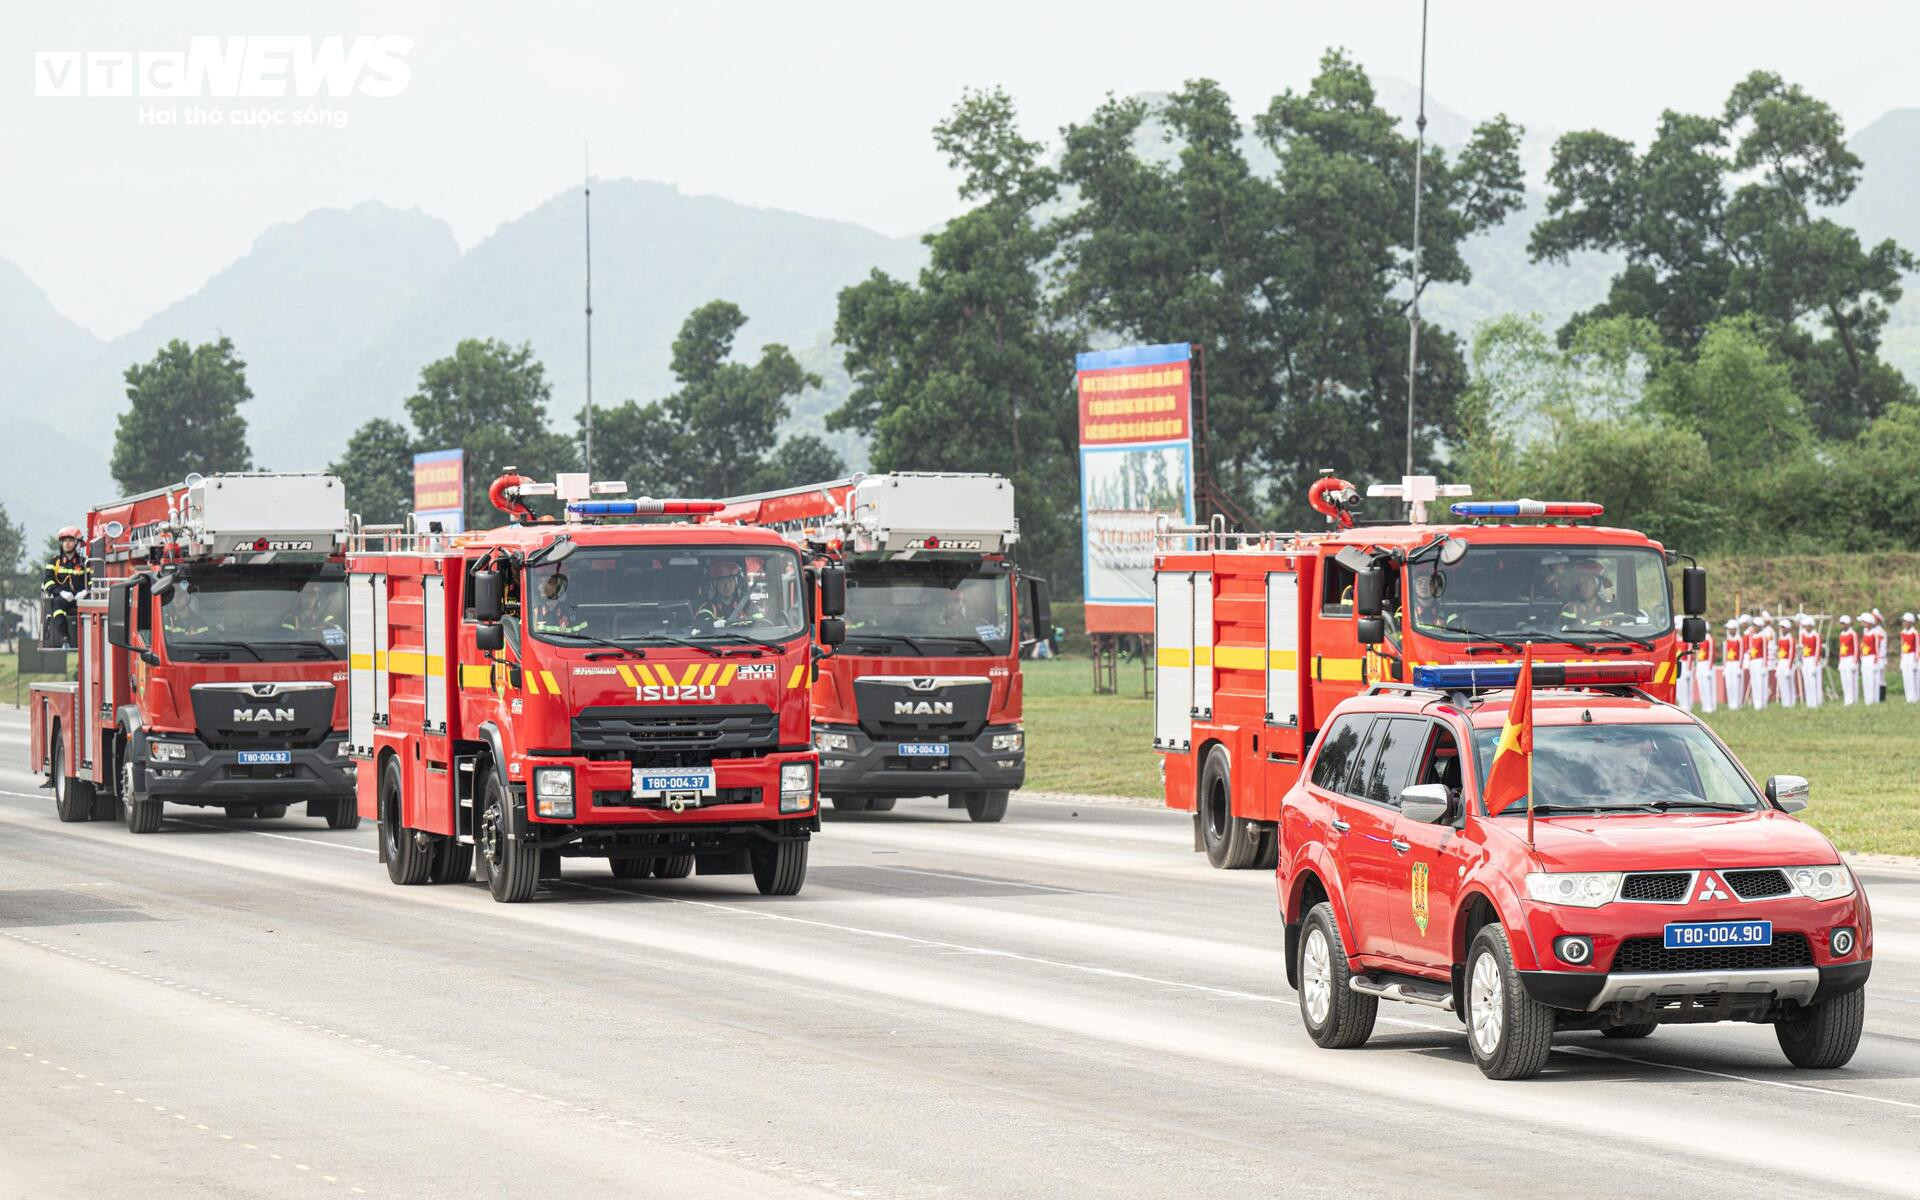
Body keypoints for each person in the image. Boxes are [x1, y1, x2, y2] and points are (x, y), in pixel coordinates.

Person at [41, 525, 88, 647]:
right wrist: (61, 593)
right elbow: (48, 581)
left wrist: (85, 592)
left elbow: (92, 581)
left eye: (71, 540)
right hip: (63, 598)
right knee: (56, 603)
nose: (67, 543)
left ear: (77, 543)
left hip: (81, 598)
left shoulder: (84, 562)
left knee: (92, 605)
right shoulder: (54, 561)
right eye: (65, 541)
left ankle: (88, 639)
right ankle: (65, 639)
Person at [696, 559, 754, 626]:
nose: (727, 586)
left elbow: (760, 624)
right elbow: (700, 627)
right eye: (722, 582)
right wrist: (712, 625)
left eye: (730, 581)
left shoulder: (747, 604)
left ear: (736, 583)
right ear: (715, 584)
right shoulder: (708, 608)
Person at [531, 571, 587, 635]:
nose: (540, 587)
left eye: (545, 583)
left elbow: (582, 633)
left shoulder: (571, 608)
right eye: (539, 583)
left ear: (556, 587)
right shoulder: (536, 610)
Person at [1746, 613, 1771, 711]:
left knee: (1761, 683)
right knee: (1755, 682)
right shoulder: (1752, 636)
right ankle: (1756, 704)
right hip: (1753, 661)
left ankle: (1762, 703)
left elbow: (1765, 651)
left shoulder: (1763, 637)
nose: (1753, 627)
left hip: (1760, 661)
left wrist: (1765, 666)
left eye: (1755, 626)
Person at [1797, 613, 1823, 709]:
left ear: (1810, 626)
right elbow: (1800, 648)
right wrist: (1799, 659)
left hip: (1813, 659)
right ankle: (1809, 702)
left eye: (1806, 626)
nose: (1804, 627)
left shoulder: (1815, 635)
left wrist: (1815, 663)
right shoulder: (1802, 635)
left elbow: (1817, 650)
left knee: (1814, 682)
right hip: (1805, 660)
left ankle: (1816, 702)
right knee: (1807, 682)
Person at [1774, 614, 1798, 708]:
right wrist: (1777, 665)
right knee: (1782, 682)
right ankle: (1785, 702)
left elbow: (1792, 652)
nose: (1782, 629)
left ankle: (1791, 702)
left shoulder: (1790, 639)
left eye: (1784, 628)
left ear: (1788, 629)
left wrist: (1789, 666)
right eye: (1781, 627)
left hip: (1788, 662)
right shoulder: (1780, 639)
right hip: (1781, 662)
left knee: (1789, 682)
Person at [1694, 619, 1717, 713]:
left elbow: (1711, 653)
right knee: (1701, 686)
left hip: (1707, 664)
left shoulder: (1709, 639)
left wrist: (1709, 668)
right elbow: (1696, 654)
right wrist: (1696, 667)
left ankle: (1710, 706)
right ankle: (1704, 705)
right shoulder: (1699, 640)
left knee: (1708, 686)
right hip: (1700, 664)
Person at [1721, 617, 1744, 710]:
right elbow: (1725, 654)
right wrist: (1725, 667)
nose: (1730, 630)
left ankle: (1737, 704)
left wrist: (1739, 666)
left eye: (1731, 629)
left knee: (1736, 684)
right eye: (1729, 629)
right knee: (1729, 685)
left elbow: (1742, 653)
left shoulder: (1739, 639)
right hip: (1729, 664)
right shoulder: (1727, 640)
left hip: (1736, 663)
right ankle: (1731, 704)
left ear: (1735, 629)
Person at [1837, 614, 1860, 705]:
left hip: (1850, 658)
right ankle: (1847, 699)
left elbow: (1856, 648)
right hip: (1843, 659)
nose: (1842, 625)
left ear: (1848, 624)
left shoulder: (1853, 634)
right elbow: (1841, 648)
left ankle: (1852, 700)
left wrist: (1854, 661)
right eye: (1841, 624)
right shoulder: (1841, 634)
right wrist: (1840, 661)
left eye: (1844, 623)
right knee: (1844, 681)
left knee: (1851, 680)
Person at [1860, 613, 1882, 706]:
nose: (1862, 623)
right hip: (1865, 658)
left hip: (1872, 658)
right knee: (1866, 679)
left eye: (1863, 622)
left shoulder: (1875, 634)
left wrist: (1876, 660)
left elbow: (1877, 648)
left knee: (1873, 679)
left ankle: (1874, 700)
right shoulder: (1865, 632)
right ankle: (1867, 700)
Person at [1673, 617, 1694, 711]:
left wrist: (1689, 669)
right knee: (1679, 685)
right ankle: (1680, 703)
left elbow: (1690, 655)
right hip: (1677, 663)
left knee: (1685, 686)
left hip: (1685, 664)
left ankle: (1686, 705)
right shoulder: (1675, 639)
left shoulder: (1687, 640)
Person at [1901, 613, 1919, 703]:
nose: (1904, 623)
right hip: (1905, 656)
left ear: (1910, 622)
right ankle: (1908, 697)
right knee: (1906, 677)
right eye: (1904, 621)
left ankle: (1914, 697)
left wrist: (1916, 660)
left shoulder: (1914, 633)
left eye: (1906, 621)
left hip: (1912, 655)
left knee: (1912, 677)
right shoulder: (1903, 632)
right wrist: (1901, 659)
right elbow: (1902, 645)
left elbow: (1917, 647)